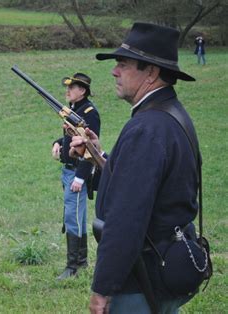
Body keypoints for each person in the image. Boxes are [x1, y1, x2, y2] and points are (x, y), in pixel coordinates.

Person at [70, 23, 202, 313]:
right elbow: (144, 187)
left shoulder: (146, 128)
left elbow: (126, 217)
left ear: (151, 73)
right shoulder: (171, 116)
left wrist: (103, 289)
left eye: (123, 64)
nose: (115, 71)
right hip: (164, 267)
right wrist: (98, 156)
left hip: (142, 281)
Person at [51, 73, 100, 279]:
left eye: (72, 88)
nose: (68, 91)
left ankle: (74, 266)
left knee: (73, 218)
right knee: (75, 216)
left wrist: (80, 177)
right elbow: (71, 137)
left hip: (77, 173)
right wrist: (58, 142)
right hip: (68, 170)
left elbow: (89, 148)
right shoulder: (74, 110)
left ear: (82, 91)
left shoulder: (89, 113)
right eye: (68, 87)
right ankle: (80, 262)